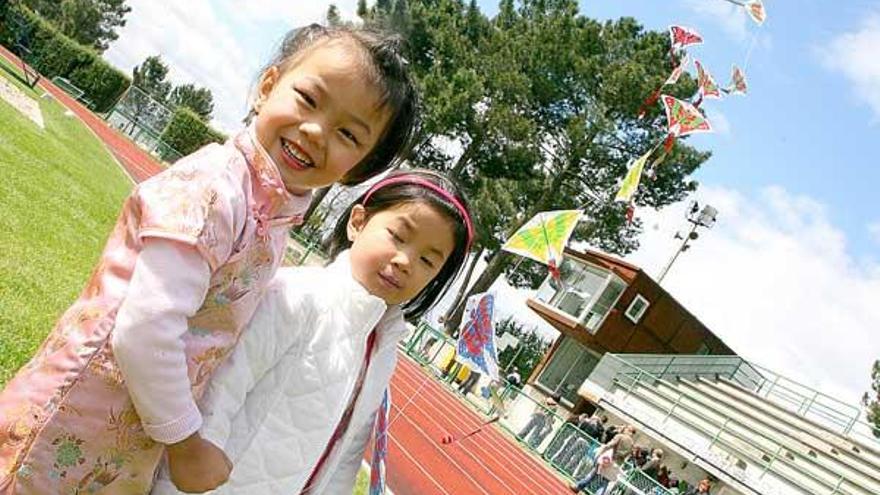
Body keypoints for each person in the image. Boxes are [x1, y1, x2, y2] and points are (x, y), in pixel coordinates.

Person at [0, 22, 418, 494]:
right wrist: (185, 444)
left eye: (347, 133)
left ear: (356, 169)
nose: (315, 130)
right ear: (267, 87)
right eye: (308, 98)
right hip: (75, 416)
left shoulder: (271, 215)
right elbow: (145, 328)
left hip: (128, 434)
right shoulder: (216, 189)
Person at [151, 169, 473, 494]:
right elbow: (221, 393)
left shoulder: (382, 347)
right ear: (357, 222)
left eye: (428, 261)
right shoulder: (296, 297)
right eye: (398, 236)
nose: (406, 260)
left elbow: (345, 455)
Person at [569, 425, 637, 494]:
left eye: (626, 428)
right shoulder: (632, 444)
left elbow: (610, 444)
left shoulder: (620, 436)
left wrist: (602, 449)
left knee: (593, 474)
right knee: (605, 482)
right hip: (617, 464)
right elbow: (627, 454)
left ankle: (578, 486)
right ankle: (581, 487)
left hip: (608, 460)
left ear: (628, 430)